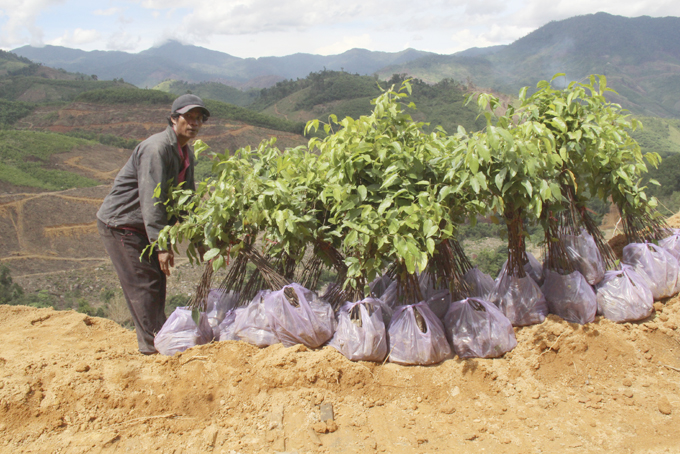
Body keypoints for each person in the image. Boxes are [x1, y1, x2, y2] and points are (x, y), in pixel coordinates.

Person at [96, 94, 209, 354]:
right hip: (122, 224)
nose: (193, 123)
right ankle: (151, 350)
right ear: (173, 119)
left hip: (142, 225)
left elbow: (186, 201)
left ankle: (158, 341)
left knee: (156, 283)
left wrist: (202, 241)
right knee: (144, 286)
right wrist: (162, 245)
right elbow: (152, 198)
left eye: (198, 119)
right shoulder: (157, 148)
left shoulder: (185, 152)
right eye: (187, 117)